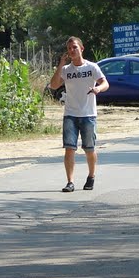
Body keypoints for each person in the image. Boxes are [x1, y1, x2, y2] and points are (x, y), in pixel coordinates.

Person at [49, 36, 107, 192]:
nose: (71, 50)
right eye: (69, 48)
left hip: (88, 114)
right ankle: (70, 182)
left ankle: (91, 176)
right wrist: (61, 64)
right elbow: (53, 85)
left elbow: (105, 83)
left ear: (81, 49)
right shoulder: (66, 70)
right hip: (70, 114)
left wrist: (98, 89)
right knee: (69, 148)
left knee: (89, 148)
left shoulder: (92, 67)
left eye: (74, 47)